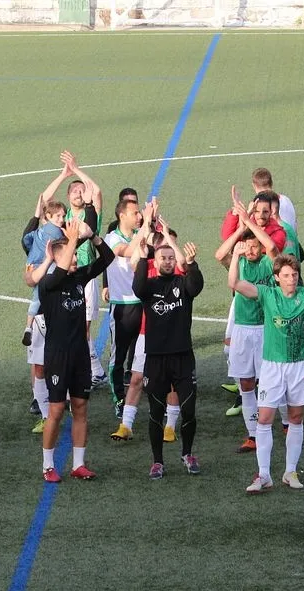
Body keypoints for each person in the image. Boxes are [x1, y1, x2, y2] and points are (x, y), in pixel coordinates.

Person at [230, 247, 304, 493]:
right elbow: (234, 283)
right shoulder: (267, 294)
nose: (291, 279)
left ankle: (290, 471)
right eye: (286, 275)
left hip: (300, 365)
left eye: (294, 274)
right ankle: (264, 475)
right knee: (264, 418)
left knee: (296, 417)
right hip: (272, 366)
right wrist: (235, 257)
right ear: (276, 277)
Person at [30, 219, 114, 482]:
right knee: (56, 410)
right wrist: (74, 239)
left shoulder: (79, 277)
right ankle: (48, 465)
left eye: (75, 254)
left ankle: (78, 464)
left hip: (79, 355)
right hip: (57, 356)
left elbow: (107, 258)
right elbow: (60, 270)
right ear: (55, 258)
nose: (75, 258)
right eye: (70, 254)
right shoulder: (48, 284)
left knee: (80, 407)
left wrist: (94, 236)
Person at [110, 205, 185, 442]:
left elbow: (183, 261)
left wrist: (168, 237)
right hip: (147, 332)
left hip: (172, 335)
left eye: (171, 248)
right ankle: (126, 425)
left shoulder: (179, 271)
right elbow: (134, 261)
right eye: (164, 247)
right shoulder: (149, 267)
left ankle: (170, 426)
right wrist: (146, 226)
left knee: (171, 383)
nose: (168, 254)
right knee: (136, 378)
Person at [133, 235, 204, 480]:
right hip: (156, 359)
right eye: (163, 258)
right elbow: (137, 288)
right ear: (155, 261)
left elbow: (196, 286)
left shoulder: (182, 283)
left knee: (189, 410)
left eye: (171, 258)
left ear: (176, 260)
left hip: (183, 357)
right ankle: (157, 461)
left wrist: (191, 263)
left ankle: (187, 454)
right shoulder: (149, 286)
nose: (167, 261)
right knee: (156, 411)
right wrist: (143, 258)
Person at [214, 200, 278, 453]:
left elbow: (272, 246)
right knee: (246, 384)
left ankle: (282, 423)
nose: (250, 250)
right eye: (247, 246)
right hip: (242, 328)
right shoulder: (238, 262)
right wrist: (239, 232)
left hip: (264, 328)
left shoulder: (268, 262)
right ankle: (253, 434)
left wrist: (249, 222)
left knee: (270, 381)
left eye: (254, 246)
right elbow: (219, 255)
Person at [41, 150, 107, 386]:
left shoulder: (92, 214)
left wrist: (77, 169)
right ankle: (94, 370)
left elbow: (96, 192)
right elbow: (44, 201)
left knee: (84, 326)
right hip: (63, 276)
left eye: (81, 190)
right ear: (68, 196)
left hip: (85, 274)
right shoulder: (62, 217)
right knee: (73, 325)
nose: (79, 193)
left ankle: (93, 371)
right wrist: (63, 174)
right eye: (75, 190)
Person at [23, 198, 67, 433]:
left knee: (59, 363)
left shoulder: (38, 241)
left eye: (63, 216)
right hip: (44, 318)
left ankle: (59, 404)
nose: (62, 220)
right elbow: (30, 280)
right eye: (58, 216)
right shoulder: (53, 237)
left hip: (59, 317)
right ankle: (45, 413)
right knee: (40, 367)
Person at [104, 197, 147, 427]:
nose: (139, 216)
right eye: (135, 213)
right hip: (121, 305)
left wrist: (151, 226)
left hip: (142, 302)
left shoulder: (140, 234)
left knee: (146, 351)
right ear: (122, 216)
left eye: (140, 213)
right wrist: (146, 227)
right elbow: (128, 251)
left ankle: (147, 389)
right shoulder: (112, 238)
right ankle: (119, 398)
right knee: (118, 355)